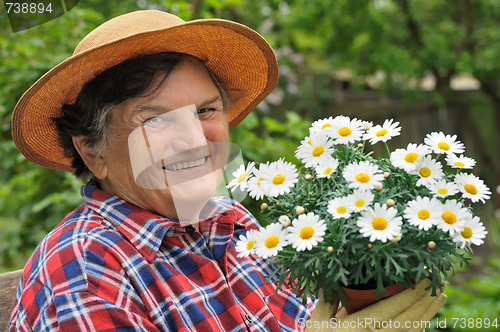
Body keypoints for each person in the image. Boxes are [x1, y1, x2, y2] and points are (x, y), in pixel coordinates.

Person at [9, 10, 446, 332]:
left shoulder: (237, 225)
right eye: (155, 119)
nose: (197, 140)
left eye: (206, 110)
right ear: (92, 151)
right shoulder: (86, 267)